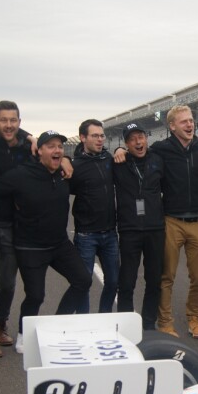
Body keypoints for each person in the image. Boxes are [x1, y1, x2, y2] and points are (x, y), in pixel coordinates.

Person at [117, 105, 198, 339]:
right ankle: (164, 321)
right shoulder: (161, 150)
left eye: (190, 120)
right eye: (184, 122)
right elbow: (135, 153)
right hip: (170, 220)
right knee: (165, 276)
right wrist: (119, 148)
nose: (189, 125)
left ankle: (194, 319)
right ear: (172, 126)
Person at [0, 131, 93, 345]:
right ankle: (22, 336)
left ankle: (57, 326)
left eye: (60, 147)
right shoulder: (21, 174)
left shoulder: (63, 173)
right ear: (40, 151)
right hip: (30, 247)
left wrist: (67, 160)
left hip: (59, 244)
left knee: (83, 280)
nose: (57, 150)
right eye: (51, 146)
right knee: (36, 296)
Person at [0, 100, 34, 357]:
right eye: (3, 120)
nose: (8, 125)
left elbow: (50, 154)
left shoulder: (26, 147)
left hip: (13, 224)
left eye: (13, 120)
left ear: (19, 122)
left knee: (7, 282)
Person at [113, 124, 165, 330]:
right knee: (127, 280)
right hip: (129, 230)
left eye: (141, 137)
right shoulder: (119, 163)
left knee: (154, 280)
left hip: (155, 229)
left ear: (146, 138)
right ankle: (126, 323)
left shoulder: (158, 160)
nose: (138, 142)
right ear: (126, 144)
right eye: (133, 139)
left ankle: (149, 323)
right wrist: (117, 152)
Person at [70, 119, 119, 314]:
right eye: (95, 136)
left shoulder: (109, 160)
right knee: (84, 282)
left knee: (114, 280)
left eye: (102, 135)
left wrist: (120, 148)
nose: (100, 140)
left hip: (110, 233)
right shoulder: (75, 166)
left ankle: (104, 316)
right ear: (83, 138)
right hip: (86, 235)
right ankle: (84, 320)